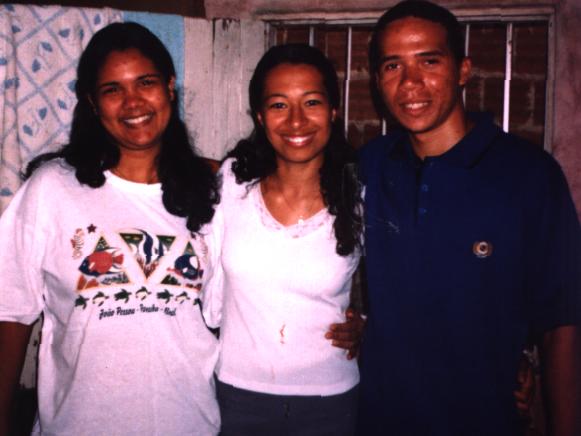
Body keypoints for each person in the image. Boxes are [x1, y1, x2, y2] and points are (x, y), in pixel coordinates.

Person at [357, 1, 581, 435]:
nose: (410, 82)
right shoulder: (368, 165)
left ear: (463, 70)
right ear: (377, 80)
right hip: (379, 419)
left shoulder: (529, 175)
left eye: (429, 61)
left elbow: (562, 324)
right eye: (392, 66)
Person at [0, 22, 222, 435]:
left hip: (188, 422)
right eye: (112, 89)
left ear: (170, 87)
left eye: (146, 82)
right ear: (92, 102)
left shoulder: (215, 190)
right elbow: (9, 309)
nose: (132, 102)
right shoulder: (53, 188)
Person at [203, 43, 364, 435]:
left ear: (333, 110)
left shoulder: (360, 192)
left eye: (311, 102)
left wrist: (367, 323)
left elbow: (401, 278)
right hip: (237, 396)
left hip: (330, 401)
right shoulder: (232, 184)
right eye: (279, 105)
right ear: (259, 116)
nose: (296, 121)